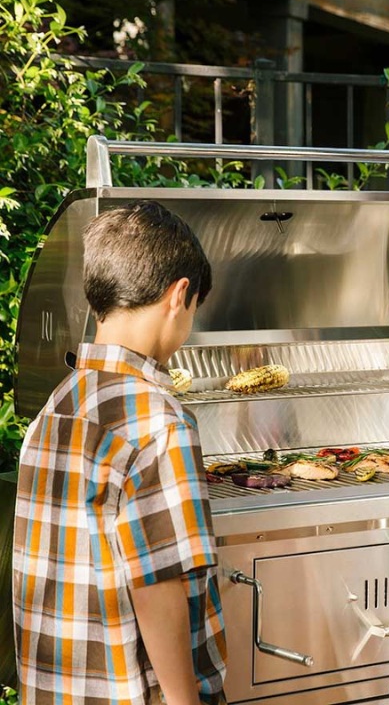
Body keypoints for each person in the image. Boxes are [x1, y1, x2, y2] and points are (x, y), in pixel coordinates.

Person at [13, 201, 226, 704]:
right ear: (179, 295)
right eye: (194, 308)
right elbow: (159, 585)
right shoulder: (159, 422)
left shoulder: (60, 403)